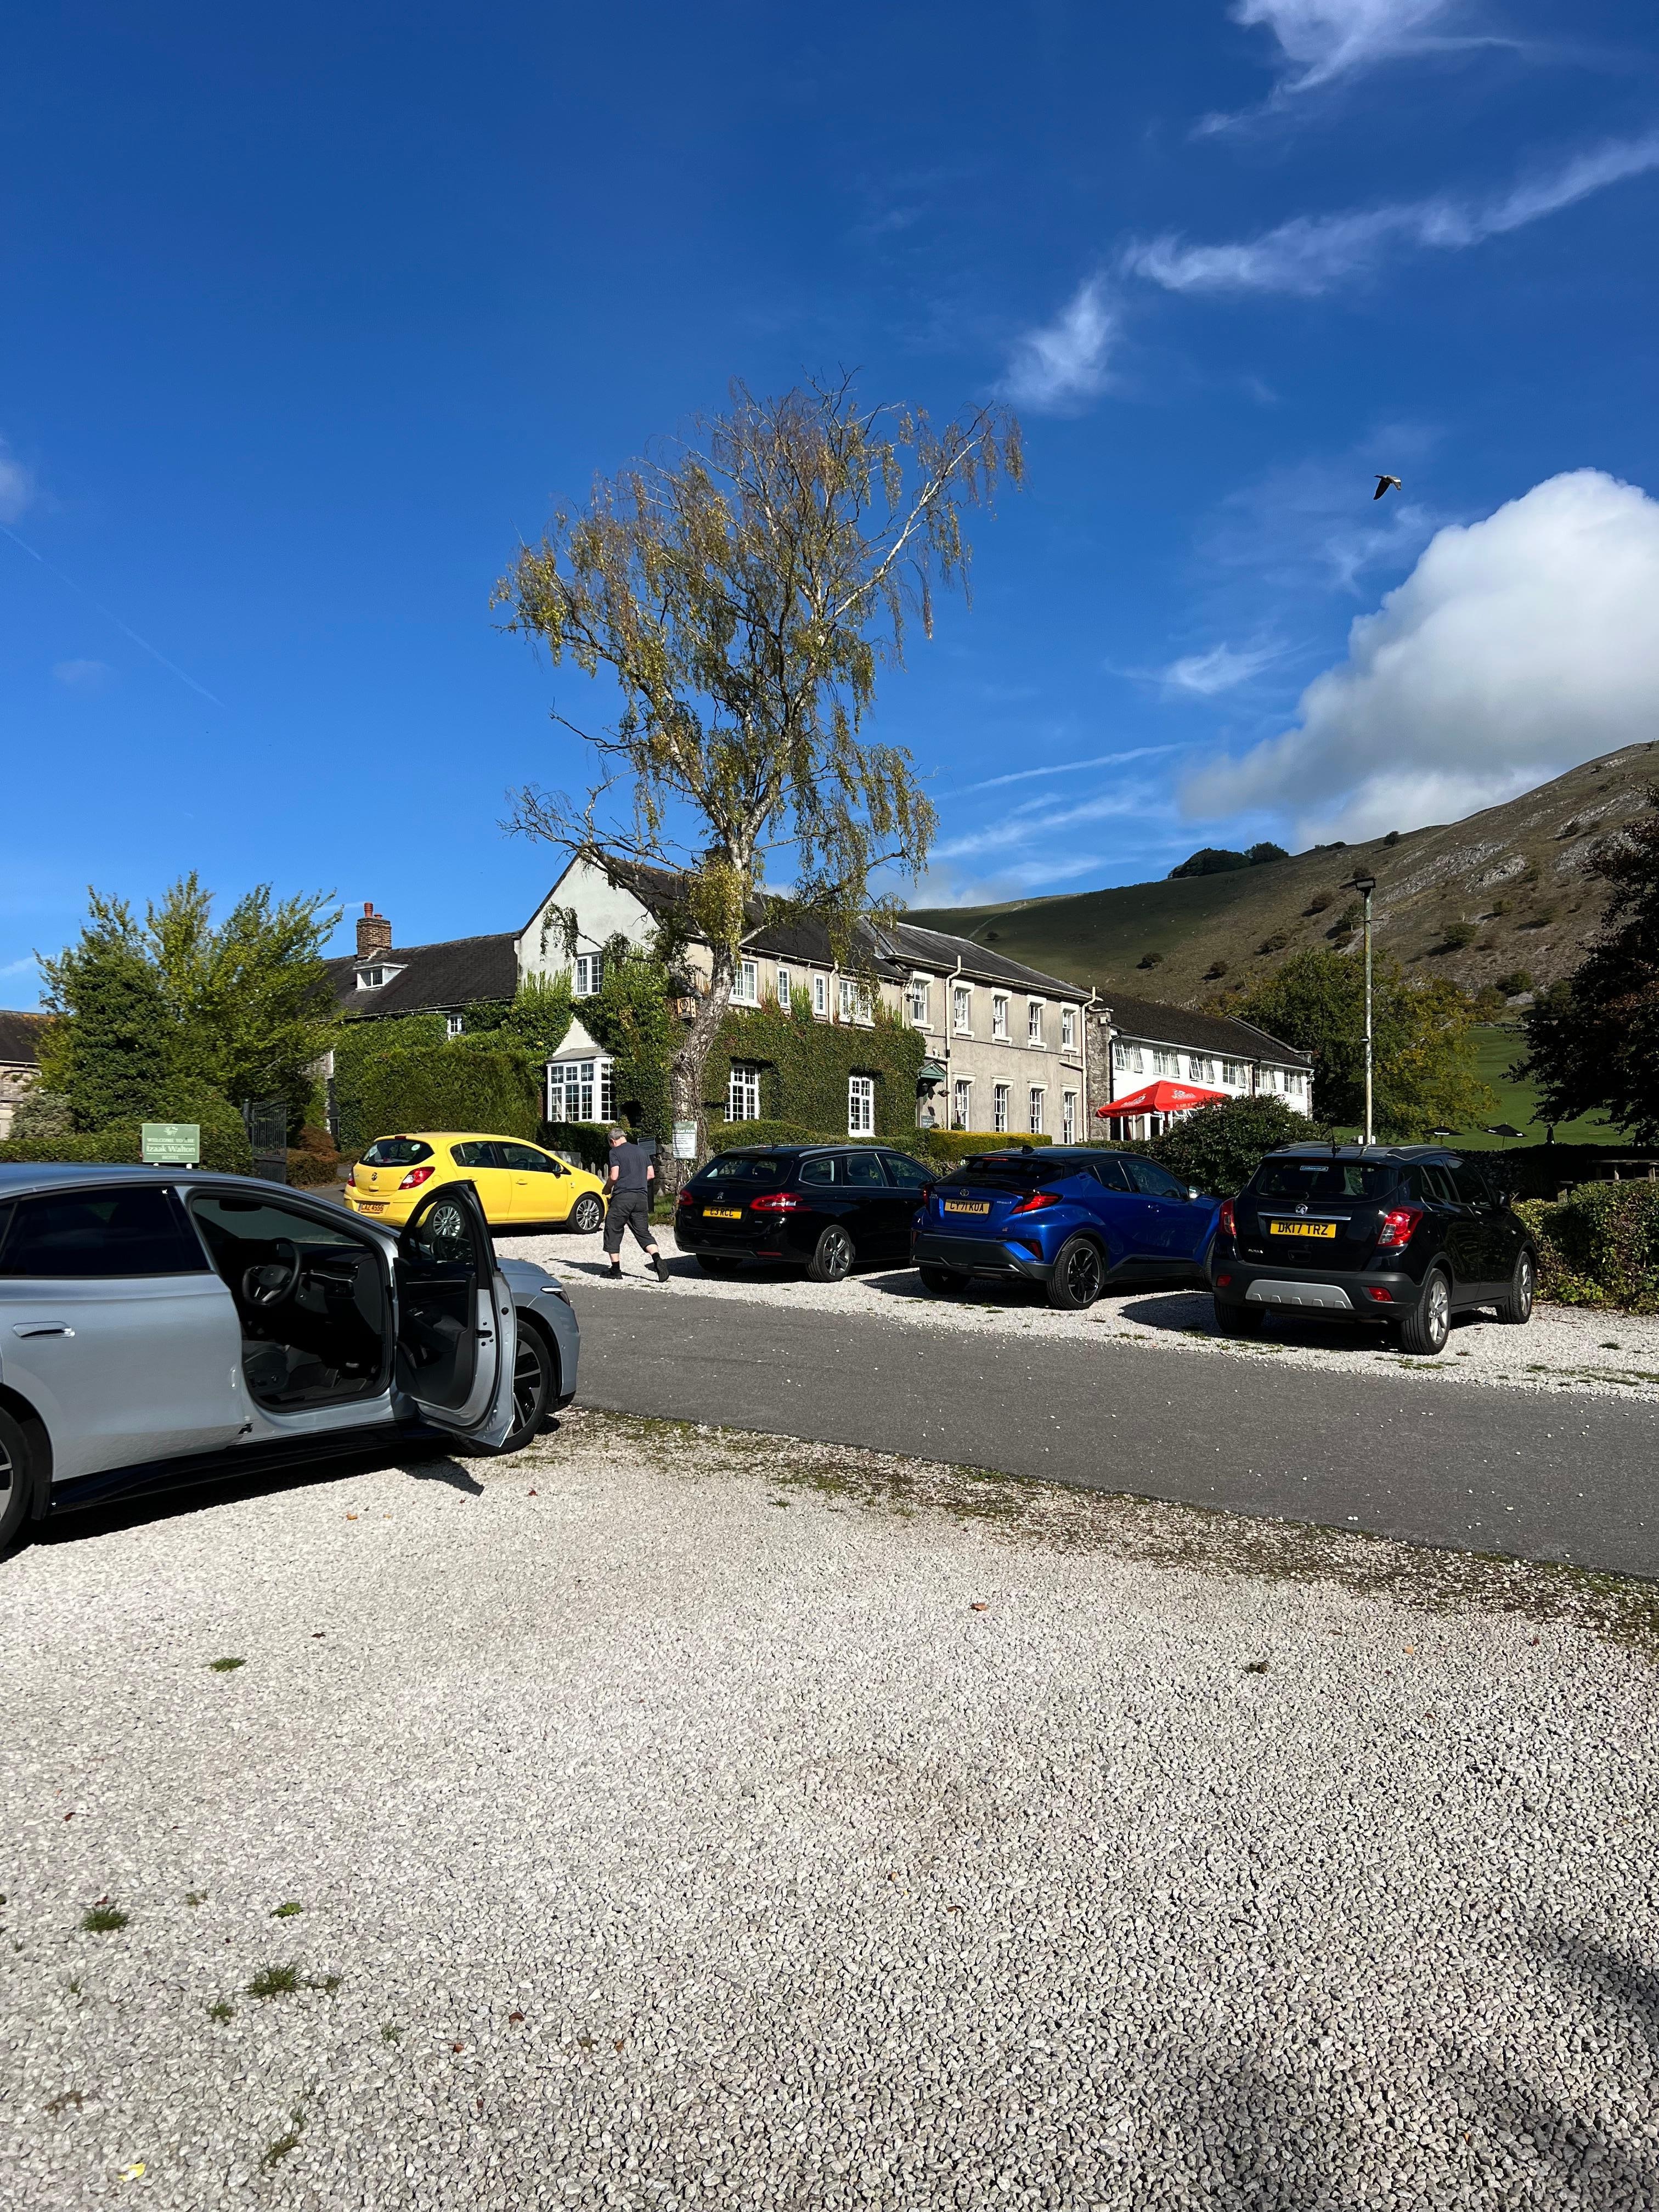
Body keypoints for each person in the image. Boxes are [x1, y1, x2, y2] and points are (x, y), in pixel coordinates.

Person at [602, 1126, 668, 1281]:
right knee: (643, 1232)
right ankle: (658, 1259)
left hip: (623, 1197)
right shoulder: (641, 1151)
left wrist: (607, 1188)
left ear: (613, 1141)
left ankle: (616, 1270)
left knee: (613, 1228)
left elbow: (614, 1175)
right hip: (641, 1198)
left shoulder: (615, 1152)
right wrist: (637, 1181)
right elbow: (651, 1174)